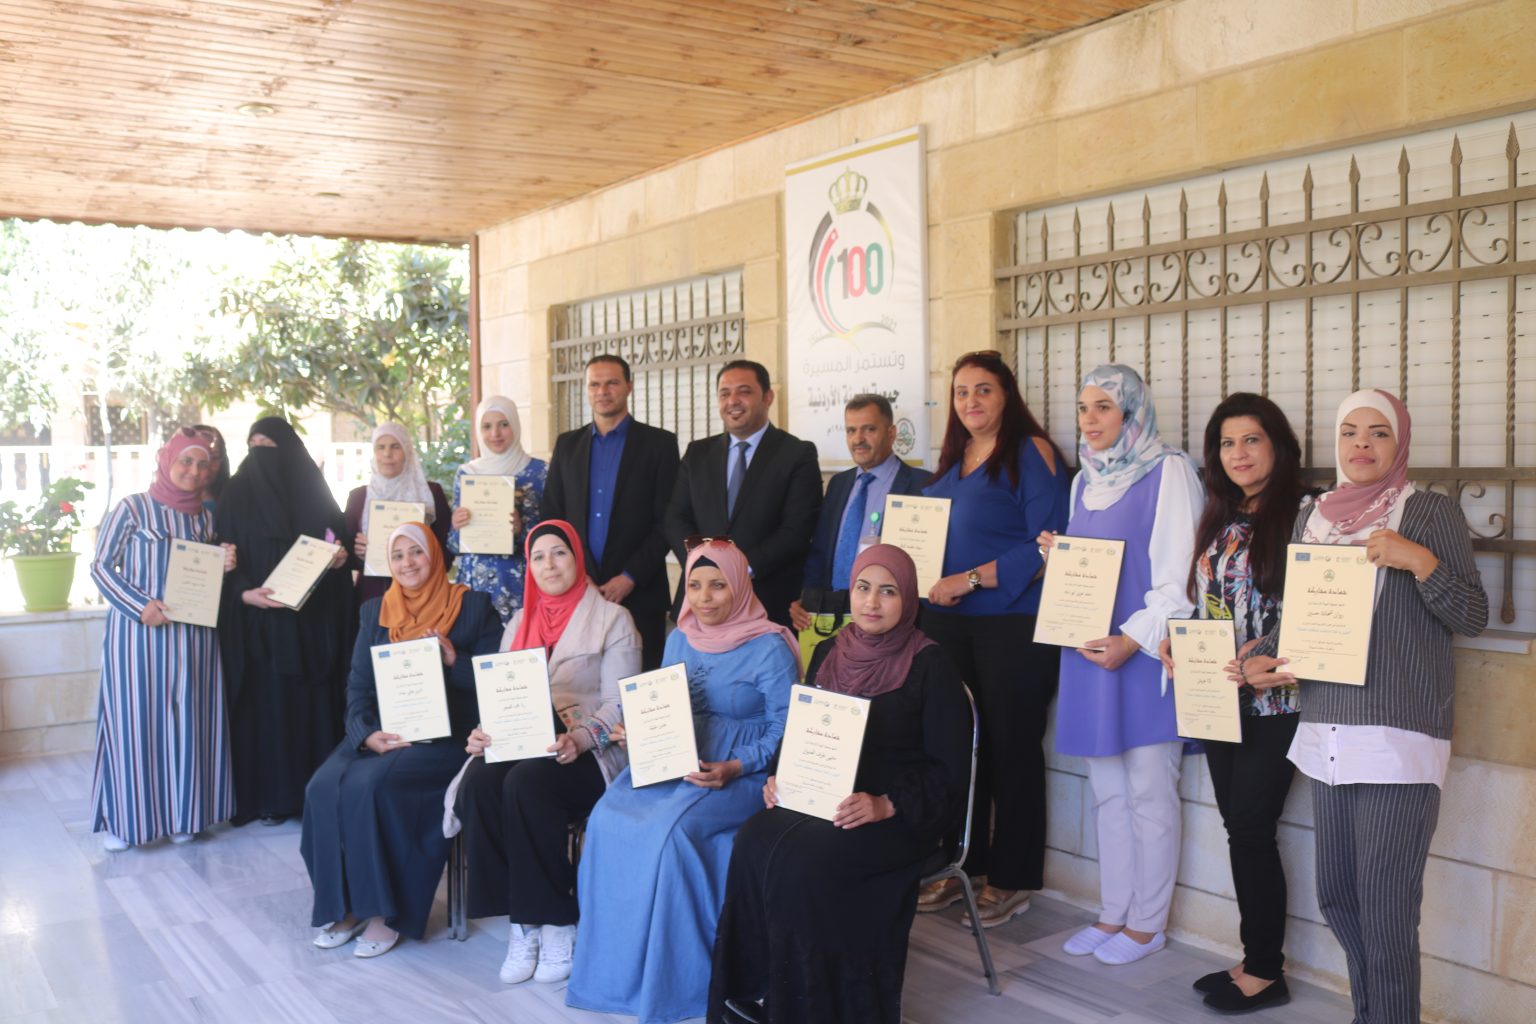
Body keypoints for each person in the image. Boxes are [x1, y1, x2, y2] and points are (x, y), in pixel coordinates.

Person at [1240, 389, 1486, 1024]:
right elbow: (1305, 619)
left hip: (1396, 736)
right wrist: (1263, 656)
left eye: (1379, 433)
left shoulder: (1427, 511)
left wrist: (1419, 561)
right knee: (1339, 896)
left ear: (1399, 443)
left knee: (1386, 907)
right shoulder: (1315, 516)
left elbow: (1472, 614)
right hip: (1327, 734)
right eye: (1351, 431)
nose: (1363, 445)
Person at [708, 545, 971, 1024]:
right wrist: (780, 777)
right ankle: (755, 991)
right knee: (751, 841)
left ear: (908, 598)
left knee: (807, 863)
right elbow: (802, 727)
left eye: (888, 591)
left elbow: (950, 771)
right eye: (863, 588)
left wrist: (887, 804)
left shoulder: (931, 665)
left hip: (897, 813)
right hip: (827, 798)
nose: (872, 602)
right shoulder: (831, 650)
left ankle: (809, 1007)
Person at [566, 539, 799, 1024]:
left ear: (740, 587)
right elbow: (662, 702)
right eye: (694, 585)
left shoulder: (770, 646)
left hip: (738, 772)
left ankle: (676, 983)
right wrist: (637, 730)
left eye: (718, 585)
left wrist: (736, 766)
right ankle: (612, 974)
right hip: (673, 759)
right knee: (607, 819)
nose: (704, 598)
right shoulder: (680, 637)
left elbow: (785, 729)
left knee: (671, 835)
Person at [1043, 363, 1203, 965]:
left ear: (1132, 411)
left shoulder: (1169, 471)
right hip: (1089, 656)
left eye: (1104, 407)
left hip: (1142, 656)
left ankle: (1147, 924)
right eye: (1084, 408)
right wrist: (1060, 558)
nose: (1091, 420)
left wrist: (1130, 642)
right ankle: (1113, 912)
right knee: (1107, 793)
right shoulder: (1083, 481)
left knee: (1150, 793)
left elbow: (1178, 581)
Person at [1157, 393, 1309, 1013]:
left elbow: (1323, 615)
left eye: (1251, 440)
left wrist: (1269, 656)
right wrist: (1180, 638)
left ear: (1278, 446)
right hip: (1218, 696)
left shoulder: (1306, 515)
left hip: (1278, 702)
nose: (1238, 453)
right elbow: (1212, 604)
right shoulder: (1220, 515)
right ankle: (1254, 959)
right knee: (1240, 830)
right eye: (1226, 443)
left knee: (1250, 826)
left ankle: (1267, 972)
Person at [914, 351, 1070, 927]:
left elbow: (1049, 543)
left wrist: (972, 579)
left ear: (1007, 395)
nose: (971, 401)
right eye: (961, 392)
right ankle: (964, 866)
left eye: (983, 389)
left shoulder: (1031, 453)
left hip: (1012, 622)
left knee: (1011, 747)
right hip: (948, 622)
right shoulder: (952, 462)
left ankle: (1012, 877)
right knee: (958, 746)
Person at [455, 519, 642, 984]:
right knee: (478, 783)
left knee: (526, 784)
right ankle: (523, 920)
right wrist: (482, 732)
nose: (549, 564)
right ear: (529, 567)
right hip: (524, 743)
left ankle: (558, 921)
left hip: (588, 749)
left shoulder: (613, 619)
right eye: (538, 556)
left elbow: (621, 703)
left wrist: (581, 737)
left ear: (577, 558)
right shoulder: (519, 622)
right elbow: (499, 697)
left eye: (559, 552)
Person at [301, 523, 501, 957]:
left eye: (417, 552)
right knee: (321, 787)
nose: (408, 563)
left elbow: (494, 682)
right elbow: (358, 686)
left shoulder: (473, 606)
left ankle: (384, 912)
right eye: (398, 555)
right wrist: (365, 734)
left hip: (446, 736)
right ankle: (344, 905)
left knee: (371, 786)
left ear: (435, 555)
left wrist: (454, 659)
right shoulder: (375, 611)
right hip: (383, 730)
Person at [90, 427, 238, 850]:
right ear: (166, 461)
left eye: (203, 464)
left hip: (193, 642)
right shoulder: (132, 509)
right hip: (139, 639)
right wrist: (140, 606)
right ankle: (125, 823)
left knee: (189, 723)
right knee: (135, 724)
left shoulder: (205, 518)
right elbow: (101, 567)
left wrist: (223, 564)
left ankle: (183, 816)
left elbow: (201, 577)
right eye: (185, 461)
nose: (194, 471)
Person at [217, 417, 353, 825]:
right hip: (260, 626)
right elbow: (220, 554)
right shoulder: (234, 494)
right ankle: (272, 798)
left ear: (290, 450)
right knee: (268, 710)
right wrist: (244, 593)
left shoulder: (313, 491)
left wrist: (339, 557)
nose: (261, 453)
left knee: (312, 709)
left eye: (270, 445)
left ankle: (317, 794)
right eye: (254, 444)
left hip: (312, 625)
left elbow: (337, 539)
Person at [542, 354, 680, 669]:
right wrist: (578, 576)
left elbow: (667, 521)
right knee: (577, 686)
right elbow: (553, 518)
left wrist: (630, 577)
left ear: (629, 386)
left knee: (640, 687)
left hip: (640, 593)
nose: (602, 391)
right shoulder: (567, 446)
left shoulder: (659, 444)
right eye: (594, 385)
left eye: (611, 383)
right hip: (576, 592)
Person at [665, 359, 822, 627]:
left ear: (768, 397)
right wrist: (702, 567)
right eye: (724, 393)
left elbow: (797, 530)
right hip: (700, 603)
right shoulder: (697, 453)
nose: (733, 401)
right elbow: (675, 518)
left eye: (744, 391)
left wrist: (737, 569)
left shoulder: (797, 454)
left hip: (765, 600)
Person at [789, 394, 928, 634]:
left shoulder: (923, 486)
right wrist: (808, 599)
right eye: (851, 430)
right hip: (833, 615)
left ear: (892, 433)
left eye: (869, 429)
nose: (858, 439)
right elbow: (820, 551)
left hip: (891, 621)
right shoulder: (838, 484)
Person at [449, 394, 548, 625]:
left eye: (504, 424)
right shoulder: (467, 474)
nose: (495, 434)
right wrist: (456, 526)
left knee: (522, 644)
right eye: (486, 426)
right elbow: (453, 544)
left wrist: (521, 530)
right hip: (474, 587)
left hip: (521, 585)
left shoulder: (540, 472)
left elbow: (551, 534)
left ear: (515, 425)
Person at [343, 422, 453, 608]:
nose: (387, 454)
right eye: (381, 447)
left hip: (424, 598)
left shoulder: (431, 493)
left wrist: (424, 553)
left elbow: (447, 552)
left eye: (395, 446)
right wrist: (359, 555)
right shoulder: (358, 497)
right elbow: (345, 557)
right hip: (373, 598)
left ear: (407, 451)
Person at [192, 423, 230, 511]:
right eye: (196, 457)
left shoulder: (235, 500)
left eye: (214, 458)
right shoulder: (164, 506)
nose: (206, 466)